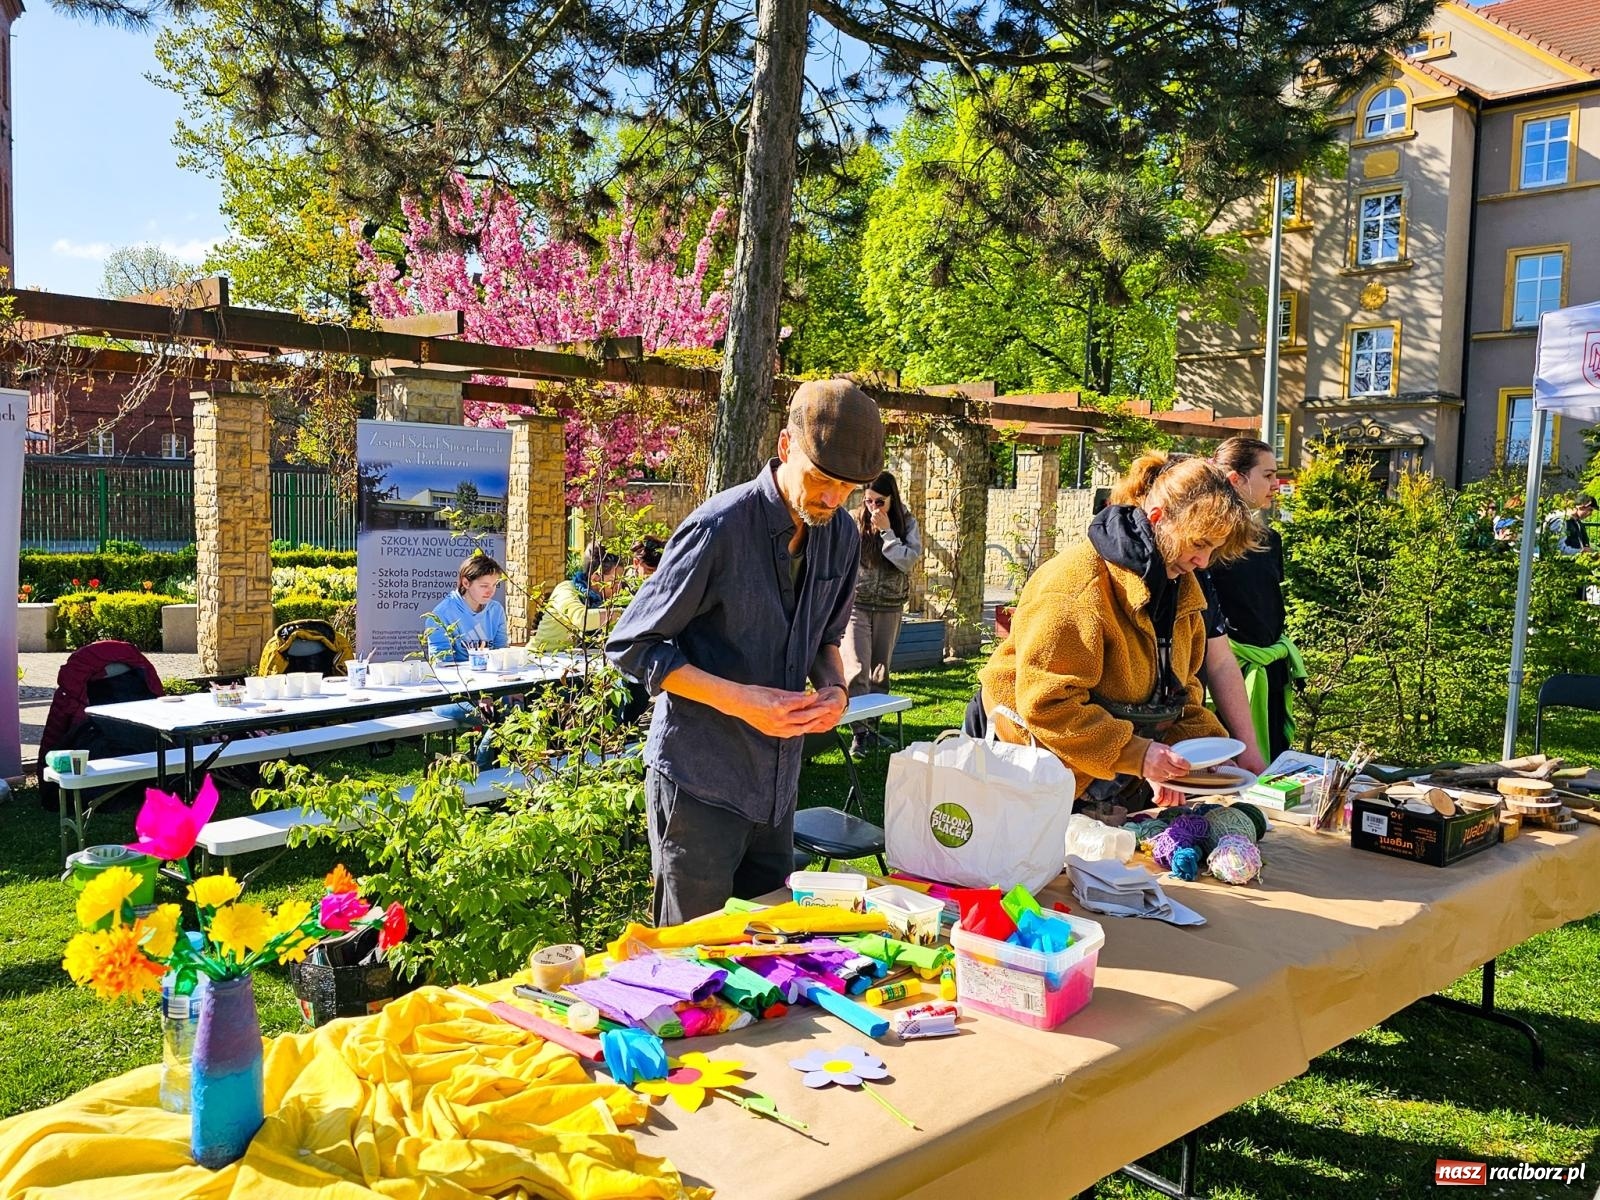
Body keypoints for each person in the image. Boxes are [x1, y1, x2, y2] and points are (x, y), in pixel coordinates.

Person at [607, 378, 885, 924]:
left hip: (777, 788)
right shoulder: (718, 529)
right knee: (694, 957)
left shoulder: (841, 536)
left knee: (767, 948)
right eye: (821, 479)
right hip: (699, 785)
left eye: (848, 488)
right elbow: (632, 645)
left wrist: (835, 689)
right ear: (785, 446)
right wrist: (740, 700)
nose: (832, 499)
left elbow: (824, 638)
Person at [973, 452, 1260, 805]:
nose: (1202, 562)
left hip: (1100, 773)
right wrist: (1138, 754)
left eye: (1213, 550)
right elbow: (1048, 705)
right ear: (1158, 519)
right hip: (1024, 764)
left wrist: (1197, 758)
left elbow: (1181, 695)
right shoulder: (1077, 588)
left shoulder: (1182, 592)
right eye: (1199, 544)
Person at [1207, 437, 1305, 762]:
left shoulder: (1269, 540)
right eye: (1268, 475)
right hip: (1224, 676)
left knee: (1273, 763)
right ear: (1237, 479)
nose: (1276, 484)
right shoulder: (1207, 545)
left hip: (1271, 670)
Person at [841, 471, 922, 755]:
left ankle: (873, 727)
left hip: (890, 604)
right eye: (868, 501)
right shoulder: (853, 519)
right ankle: (859, 734)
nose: (873, 507)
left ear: (892, 499)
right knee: (856, 670)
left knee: (879, 672)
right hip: (858, 604)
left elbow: (906, 561)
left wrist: (887, 532)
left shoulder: (906, 522)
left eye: (880, 502)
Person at [531, 542, 627, 652]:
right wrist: (624, 614)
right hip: (540, 658)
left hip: (571, 659)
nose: (619, 587)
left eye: (621, 582)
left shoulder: (604, 600)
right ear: (595, 578)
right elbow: (581, 619)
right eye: (614, 581)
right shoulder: (566, 590)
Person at [425, 554, 509, 663]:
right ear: (466, 583)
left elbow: (501, 655)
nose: (491, 591)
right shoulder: (441, 615)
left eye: (494, 585)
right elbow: (442, 664)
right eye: (484, 586)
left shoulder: (496, 610)